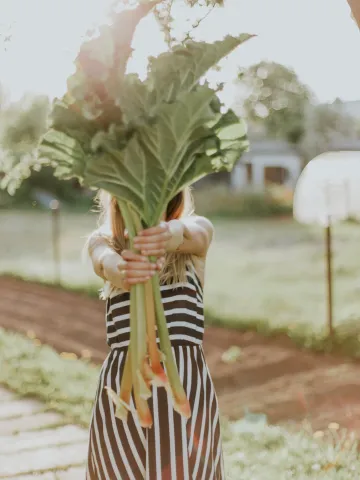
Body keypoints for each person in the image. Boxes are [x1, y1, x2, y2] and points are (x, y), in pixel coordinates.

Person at [85, 188, 224, 480]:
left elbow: (191, 234)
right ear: (117, 203)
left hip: (183, 387)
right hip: (124, 391)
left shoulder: (195, 236)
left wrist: (163, 235)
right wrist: (123, 268)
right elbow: (103, 261)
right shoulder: (104, 242)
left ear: (173, 199)